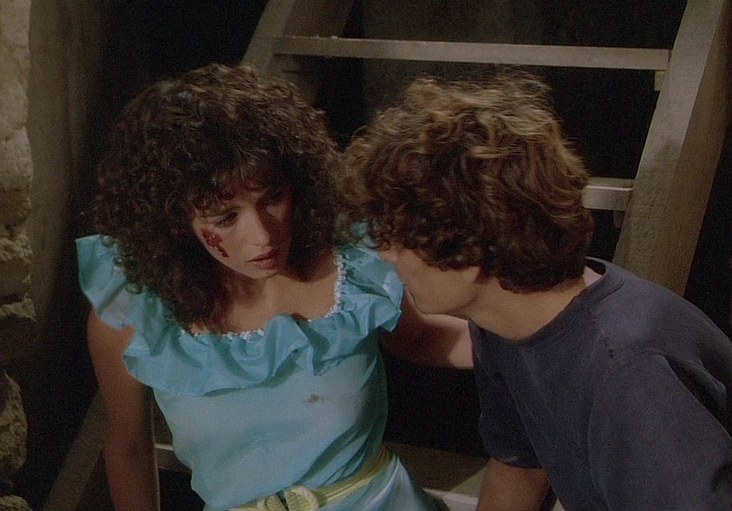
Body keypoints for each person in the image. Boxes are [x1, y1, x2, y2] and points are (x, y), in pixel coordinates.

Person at [336, 73, 732, 511]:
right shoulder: (505, 323)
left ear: (468, 257)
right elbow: (520, 465)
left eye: (398, 237)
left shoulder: (632, 376)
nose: (386, 254)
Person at [78, 63, 470, 511]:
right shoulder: (132, 318)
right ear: (175, 220)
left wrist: (527, 331)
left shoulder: (350, 264)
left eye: (274, 199)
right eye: (226, 217)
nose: (263, 236)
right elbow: (129, 447)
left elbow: (419, 337)